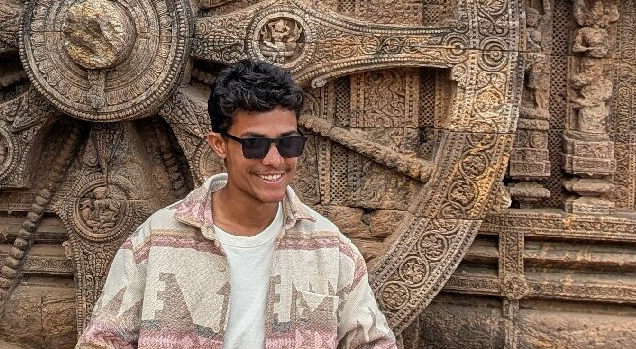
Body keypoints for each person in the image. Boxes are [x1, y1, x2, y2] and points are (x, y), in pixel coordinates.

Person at [78, 59, 398, 349]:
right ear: (219, 145)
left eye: (288, 142)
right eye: (255, 144)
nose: (274, 160)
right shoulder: (155, 241)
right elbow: (102, 342)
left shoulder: (330, 249)